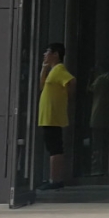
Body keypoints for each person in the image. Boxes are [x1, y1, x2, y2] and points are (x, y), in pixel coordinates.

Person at [38, 43, 74, 191]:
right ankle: (54, 178)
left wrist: (65, 98)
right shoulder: (52, 71)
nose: (44, 55)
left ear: (56, 54)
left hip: (53, 116)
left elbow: (71, 81)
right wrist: (44, 68)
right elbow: (42, 86)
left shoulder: (59, 69)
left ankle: (56, 179)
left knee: (55, 147)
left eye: (47, 52)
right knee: (52, 146)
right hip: (47, 116)